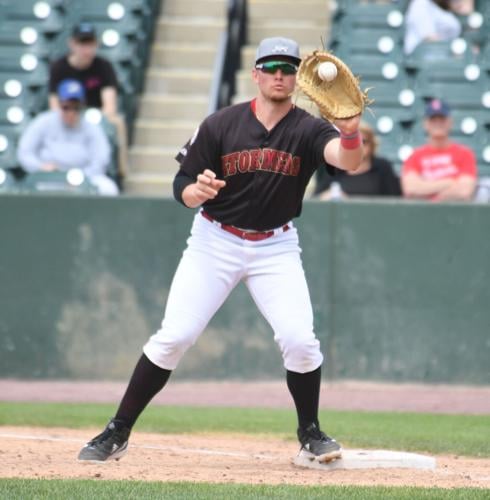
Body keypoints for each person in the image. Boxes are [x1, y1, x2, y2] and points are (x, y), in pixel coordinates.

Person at [77, 36, 363, 464]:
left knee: (301, 341)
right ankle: (117, 431)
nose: (279, 75)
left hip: (275, 245)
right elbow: (181, 185)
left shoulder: (308, 128)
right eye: (271, 68)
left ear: (298, 77)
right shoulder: (221, 124)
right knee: (174, 336)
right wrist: (196, 190)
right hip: (216, 240)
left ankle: (310, 434)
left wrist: (352, 132)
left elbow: (347, 161)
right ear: (256, 74)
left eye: (287, 68)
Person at [49, 22, 128, 183]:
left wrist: (90, 119)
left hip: (95, 117)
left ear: (96, 44)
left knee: (118, 122)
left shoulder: (104, 66)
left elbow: (110, 106)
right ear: (72, 44)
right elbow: (54, 104)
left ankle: (121, 172)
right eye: (82, 43)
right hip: (66, 114)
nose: (86, 49)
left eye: (90, 43)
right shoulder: (59, 67)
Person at [17, 79, 119, 196]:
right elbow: (24, 152)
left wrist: (81, 176)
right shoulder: (44, 121)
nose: (71, 113)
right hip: (48, 177)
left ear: (82, 107)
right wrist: (40, 167)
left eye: (75, 108)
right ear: (60, 105)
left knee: (108, 188)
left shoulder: (91, 128)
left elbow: (101, 158)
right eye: (66, 107)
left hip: (83, 177)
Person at [401, 98, 477, 201]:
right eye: (433, 119)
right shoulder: (415, 156)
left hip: (455, 214)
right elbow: (411, 188)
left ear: (450, 122)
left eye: (442, 119)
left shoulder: (465, 154)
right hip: (423, 214)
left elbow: (465, 191)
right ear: (425, 124)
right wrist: (449, 183)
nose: (438, 123)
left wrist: (428, 192)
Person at [314, 121, 401, 199]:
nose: (357, 146)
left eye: (363, 141)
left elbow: (395, 201)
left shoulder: (383, 167)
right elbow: (315, 199)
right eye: (349, 142)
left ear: (372, 145)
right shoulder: (334, 167)